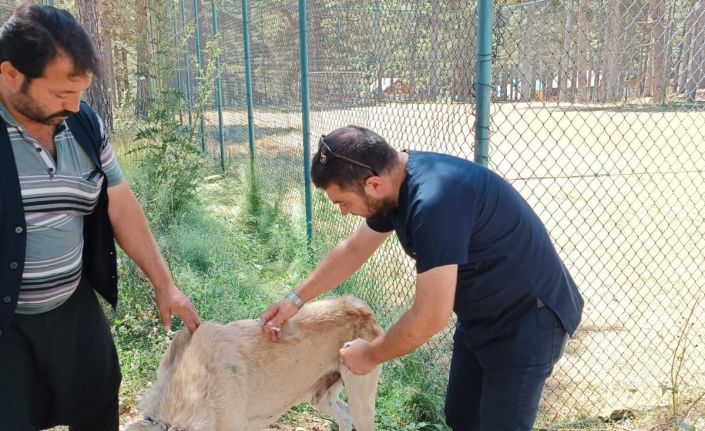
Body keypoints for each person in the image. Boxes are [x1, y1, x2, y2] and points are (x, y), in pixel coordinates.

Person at [260, 126, 584, 430]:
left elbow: (429, 316)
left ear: (373, 184)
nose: (343, 212)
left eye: (343, 202)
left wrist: (370, 355)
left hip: (530, 319)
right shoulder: (393, 187)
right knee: (462, 416)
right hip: (482, 316)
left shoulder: (433, 202)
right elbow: (352, 250)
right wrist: (294, 300)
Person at [0, 5, 200, 430]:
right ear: (10, 75)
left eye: (81, 92)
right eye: (59, 94)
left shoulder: (83, 123)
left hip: (72, 309)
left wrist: (165, 284)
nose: (74, 106)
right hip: (7, 325)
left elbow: (120, 203)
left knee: (96, 403)